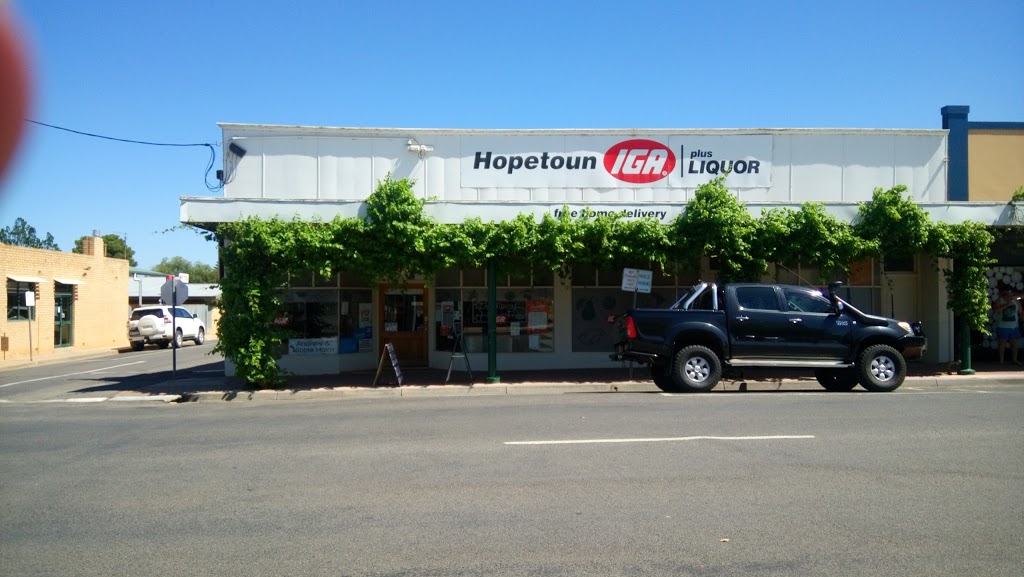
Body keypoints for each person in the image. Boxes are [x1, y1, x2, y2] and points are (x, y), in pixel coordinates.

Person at [991, 283, 1023, 365]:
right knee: (1002, 343)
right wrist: (1006, 305)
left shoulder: (1016, 301)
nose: (1009, 296)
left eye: (1011, 294)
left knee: (1015, 343)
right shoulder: (999, 300)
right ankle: (1001, 361)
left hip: (1014, 326)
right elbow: (995, 310)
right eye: (1007, 295)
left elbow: (1021, 312)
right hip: (1003, 326)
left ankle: (1014, 360)